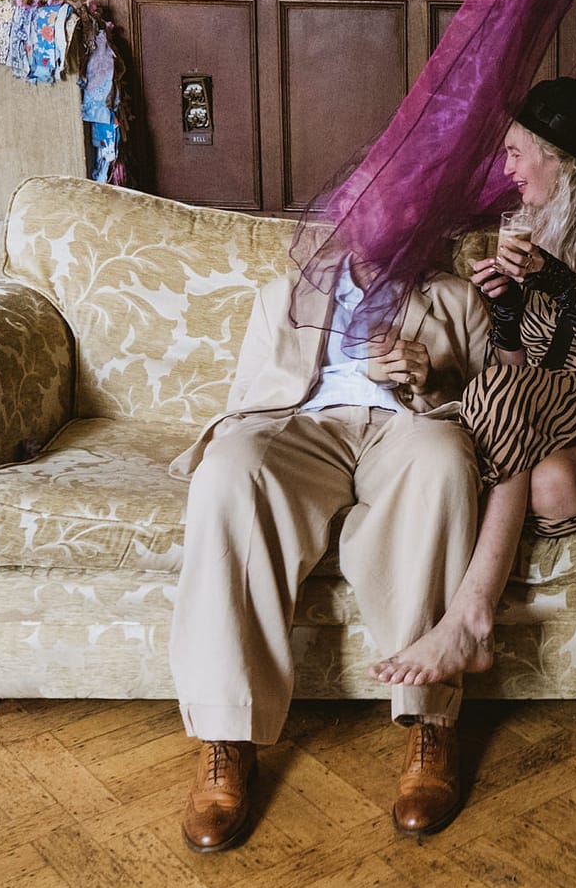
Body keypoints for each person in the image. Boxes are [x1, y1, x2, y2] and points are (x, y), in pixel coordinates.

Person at [367, 77, 576, 687]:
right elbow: (515, 375)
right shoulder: (529, 230)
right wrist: (511, 313)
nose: (507, 167)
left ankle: (469, 617)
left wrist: (564, 286)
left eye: (517, 151)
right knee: (551, 488)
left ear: (559, 155)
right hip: (552, 418)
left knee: (501, 400)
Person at [166, 244, 490, 849]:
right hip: (304, 427)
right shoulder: (283, 296)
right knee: (229, 469)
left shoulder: (455, 297)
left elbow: (482, 413)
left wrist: (430, 377)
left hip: (405, 429)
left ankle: (429, 720)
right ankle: (226, 735)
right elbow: (246, 405)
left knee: (445, 463)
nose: (375, 221)